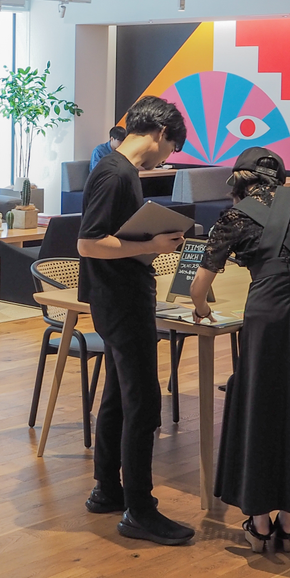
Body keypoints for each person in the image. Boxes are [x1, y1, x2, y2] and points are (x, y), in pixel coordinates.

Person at [188, 147, 290, 555]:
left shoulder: (233, 216)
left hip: (269, 317)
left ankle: (259, 523)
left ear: (239, 182)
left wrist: (202, 310)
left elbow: (197, 288)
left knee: (262, 409)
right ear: (280, 178)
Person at [77, 95, 193, 546]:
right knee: (143, 404)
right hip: (121, 301)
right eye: (171, 149)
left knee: (119, 398)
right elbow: (89, 243)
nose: (166, 158)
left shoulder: (116, 169)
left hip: (116, 299)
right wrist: (152, 246)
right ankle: (140, 511)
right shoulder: (116, 173)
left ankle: (108, 489)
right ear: (161, 133)